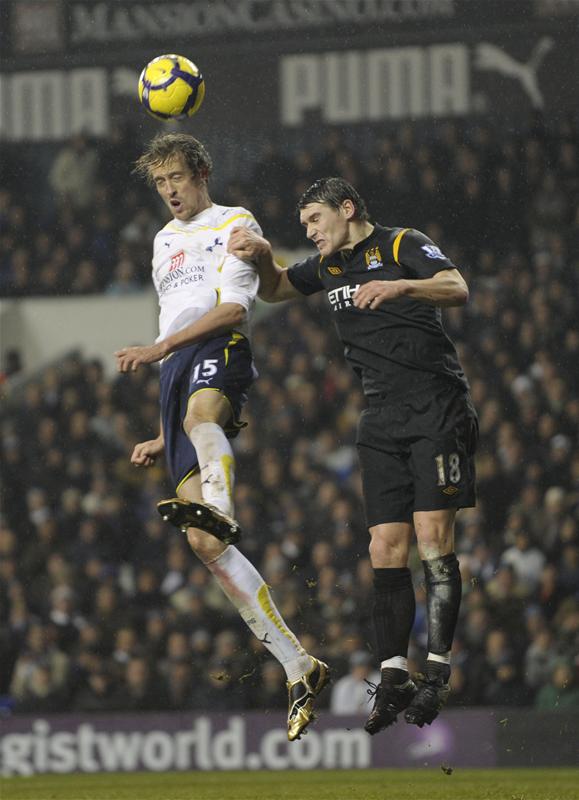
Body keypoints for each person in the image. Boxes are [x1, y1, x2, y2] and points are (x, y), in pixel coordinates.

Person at [228, 176, 478, 732]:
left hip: (435, 405)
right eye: (303, 227)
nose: (311, 232)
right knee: (384, 545)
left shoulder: (400, 244)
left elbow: (457, 286)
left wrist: (402, 288)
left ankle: (436, 672)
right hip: (380, 416)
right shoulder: (328, 267)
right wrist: (265, 254)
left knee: (433, 535)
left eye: (315, 220)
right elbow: (273, 289)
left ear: (347, 208)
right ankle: (393, 675)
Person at [114, 133, 329, 740]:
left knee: (203, 420)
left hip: (218, 347)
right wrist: (161, 429)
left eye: (177, 178)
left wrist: (158, 351)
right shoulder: (161, 242)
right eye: (160, 183)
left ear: (202, 171)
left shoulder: (234, 221)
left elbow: (235, 309)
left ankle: (223, 509)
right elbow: (171, 317)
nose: (170, 191)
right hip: (175, 374)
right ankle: (298, 663)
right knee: (203, 548)